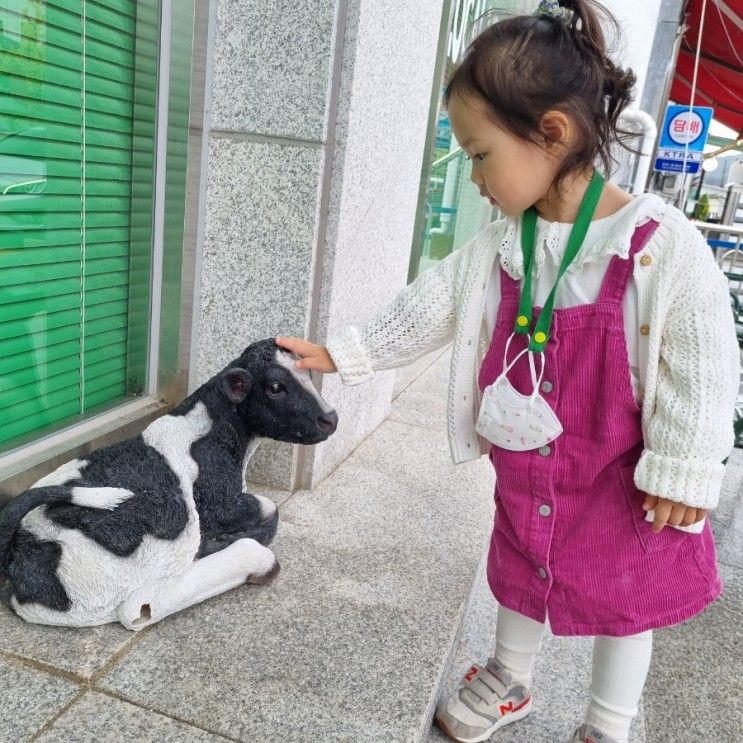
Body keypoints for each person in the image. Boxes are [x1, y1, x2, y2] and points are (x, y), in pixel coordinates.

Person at [276, 1, 740, 741]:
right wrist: (346, 353)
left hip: (624, 474)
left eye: (479, 153)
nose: (473, 177)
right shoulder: (503, 242)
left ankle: (606, 723)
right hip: (534, 462)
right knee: (522, 564)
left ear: (550, 133)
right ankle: (509, 675)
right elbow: (429, 304)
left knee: (629, 594)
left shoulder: (658, 242)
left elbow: (703, 358)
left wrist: (683, 467)